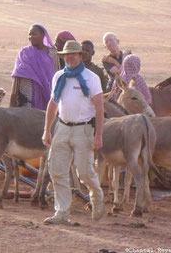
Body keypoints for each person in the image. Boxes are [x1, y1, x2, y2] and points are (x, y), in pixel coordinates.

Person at [42, 40, 105, 225]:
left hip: (84, 129)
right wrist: (47, 130)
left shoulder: (91, 78)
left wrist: (98, 134)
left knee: (84, 173)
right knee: (57, 170)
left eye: (73, 54)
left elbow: (100, 107)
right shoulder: (59, 77)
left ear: (80, 55)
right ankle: (62, 213)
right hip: (62, 127)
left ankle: (97, 195)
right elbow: (53, 103)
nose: (69, 57)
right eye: (66, 55)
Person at [10, 24, 56, 110]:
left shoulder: (52, 54)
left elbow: (56, 73)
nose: (31, 37)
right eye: (29, 34)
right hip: (27, 95)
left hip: (48, 93)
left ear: (43, 35)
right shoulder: (24, 52)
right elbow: (17, 75)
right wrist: (13, 98)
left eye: (34, 34)